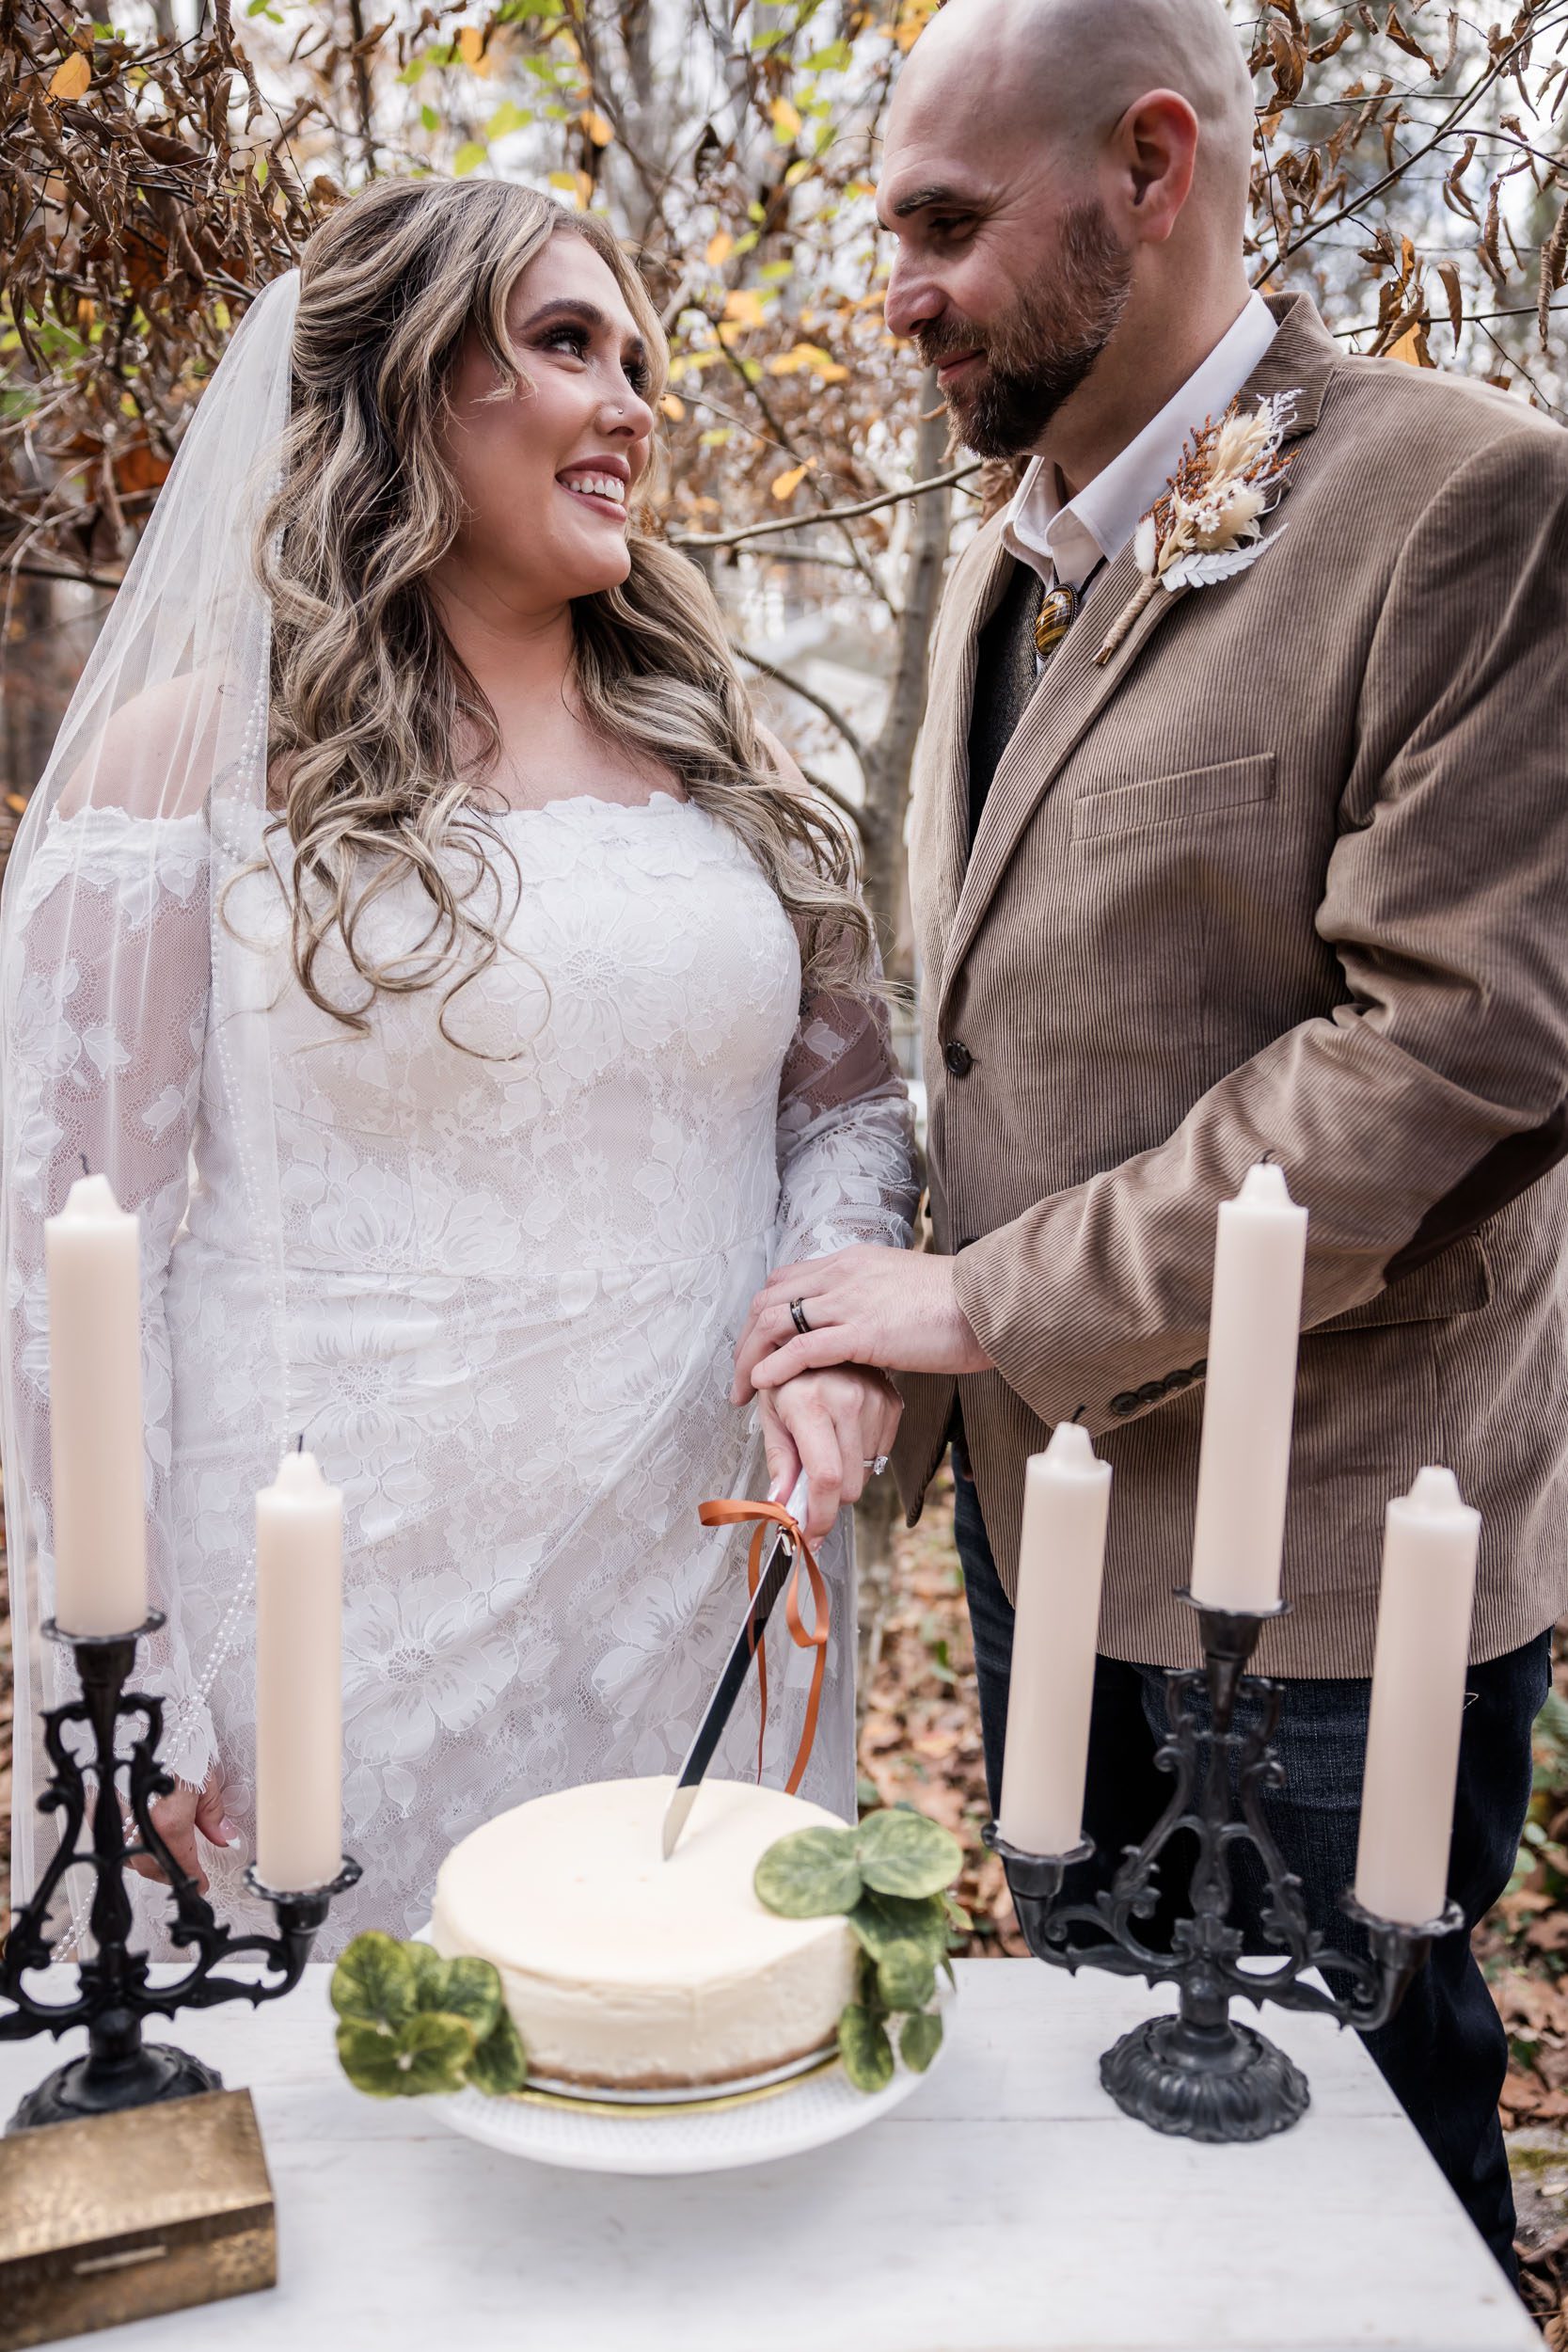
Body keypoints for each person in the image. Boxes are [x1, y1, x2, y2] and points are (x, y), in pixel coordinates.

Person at [733, 0, 1568, 2273]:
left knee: (1354, 2180)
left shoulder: (1465, 501)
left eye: (944, 224)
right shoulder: (1017, 554)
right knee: (1115, 2136)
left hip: (1322, 1584)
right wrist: (900, 1330)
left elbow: (1456, 1053)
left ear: (1155, 164)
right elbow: (1024, 1040)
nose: (894, 286)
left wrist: (985, 1298)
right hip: (1050, 1525)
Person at [1, 176, 915, 1953]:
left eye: (639, 358)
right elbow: (67, 1259)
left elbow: (849, 1116)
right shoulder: (192, 761)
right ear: (407, 389)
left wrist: (828, 1339)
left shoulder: (727, 767)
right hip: (342, 1601)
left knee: (681, 2069)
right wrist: (137, 1677)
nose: (634, 403)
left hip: (699, 1568)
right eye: (567, 344)